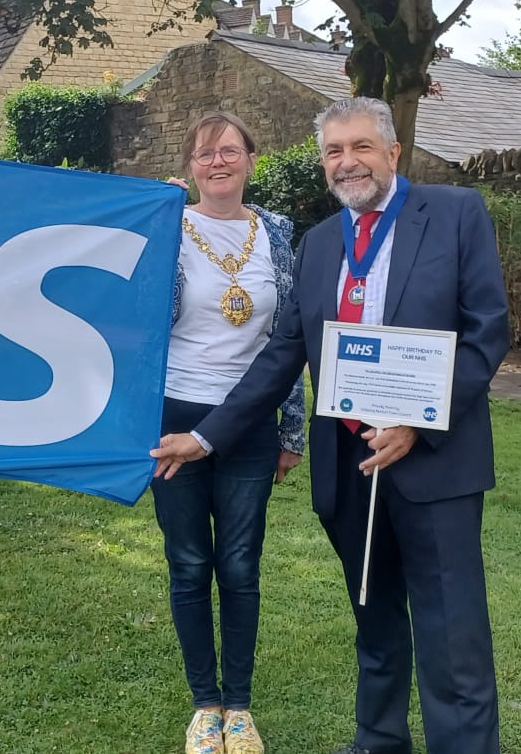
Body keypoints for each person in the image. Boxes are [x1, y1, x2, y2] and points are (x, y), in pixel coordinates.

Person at [153, 97, 511, 754]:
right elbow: (282, 354)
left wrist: (417, 421)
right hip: (349, 464)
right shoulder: (319, 245)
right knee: (374, 619)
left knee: (451, 633)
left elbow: (488, 333)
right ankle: (377, 742)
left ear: (393, 153)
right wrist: (206, 437)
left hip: (433, 460)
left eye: (361, 147)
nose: (348, 162)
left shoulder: (456, 214)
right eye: (334, 151)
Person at [154, 112, 306, 754]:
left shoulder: (276, 231)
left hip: (249, 421)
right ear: (190, 164)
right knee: (189, 563)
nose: (218, 162)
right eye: (205, 153)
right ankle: (203, 706)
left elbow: (289, 337)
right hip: (174, 418)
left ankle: (238, 708)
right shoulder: (163, 226)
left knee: (240, 566)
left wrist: (291, 430)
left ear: (250, 158)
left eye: (230, 151)